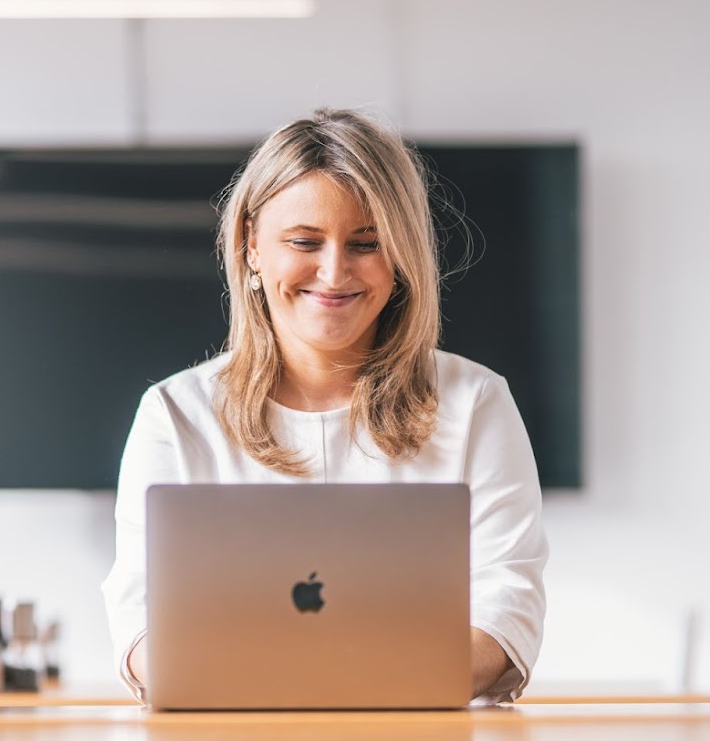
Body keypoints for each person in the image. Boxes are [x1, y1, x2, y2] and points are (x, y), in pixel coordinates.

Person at [100, 108, 548, 704]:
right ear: (250, 246)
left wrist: (328, 682)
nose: (334, 272)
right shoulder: (176, 415)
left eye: (366, 244)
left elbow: (506, 605)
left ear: (402, 258)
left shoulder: (476, 403)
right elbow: (139, 622)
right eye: (304, 242)